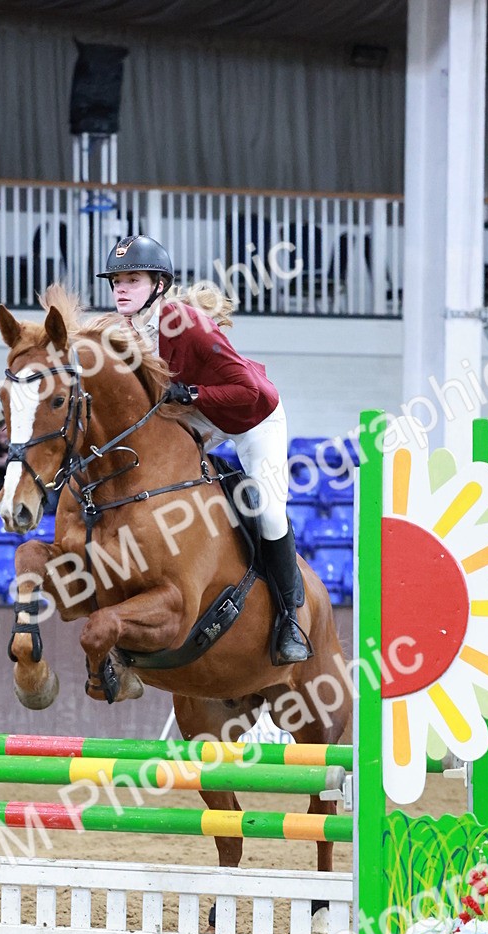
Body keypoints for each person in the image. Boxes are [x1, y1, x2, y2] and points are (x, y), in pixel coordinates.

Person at [98, 233, 310, 664]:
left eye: (132, 279)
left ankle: (290, 618)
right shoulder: (118, 329)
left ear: (159, 285)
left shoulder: (185, 323)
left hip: (252, 417)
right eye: (116, 280)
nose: (120, 288)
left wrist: (191, 394)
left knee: (269, 510)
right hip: (193, 414)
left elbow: (247, 389)